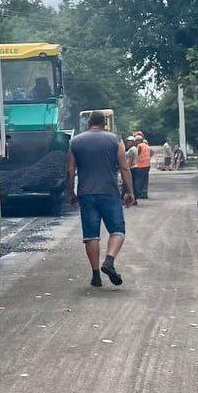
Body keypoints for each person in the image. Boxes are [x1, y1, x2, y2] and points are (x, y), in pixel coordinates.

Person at [65, 111, 136, 288]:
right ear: (104, 123)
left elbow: (70, 170)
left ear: (89, 122)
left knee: (91, 236)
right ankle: (109, 261)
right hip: (109, 192)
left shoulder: (75, 142)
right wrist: (130, 192)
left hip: (86, 194)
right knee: (117, 230)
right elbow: (124, 167)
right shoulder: (114, 140)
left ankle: (96, 275)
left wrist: (70, 193)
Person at [135, 132, 152, 199]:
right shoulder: (146, 145)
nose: (135, 142)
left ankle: (139, 194)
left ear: (139, 140)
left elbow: (137, 154)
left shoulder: (139, 146)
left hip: (141, 165)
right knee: (145, 180)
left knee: (139, 180)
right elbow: (152, 151)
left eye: (136, 141)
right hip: (147, 165)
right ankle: (144, 194)